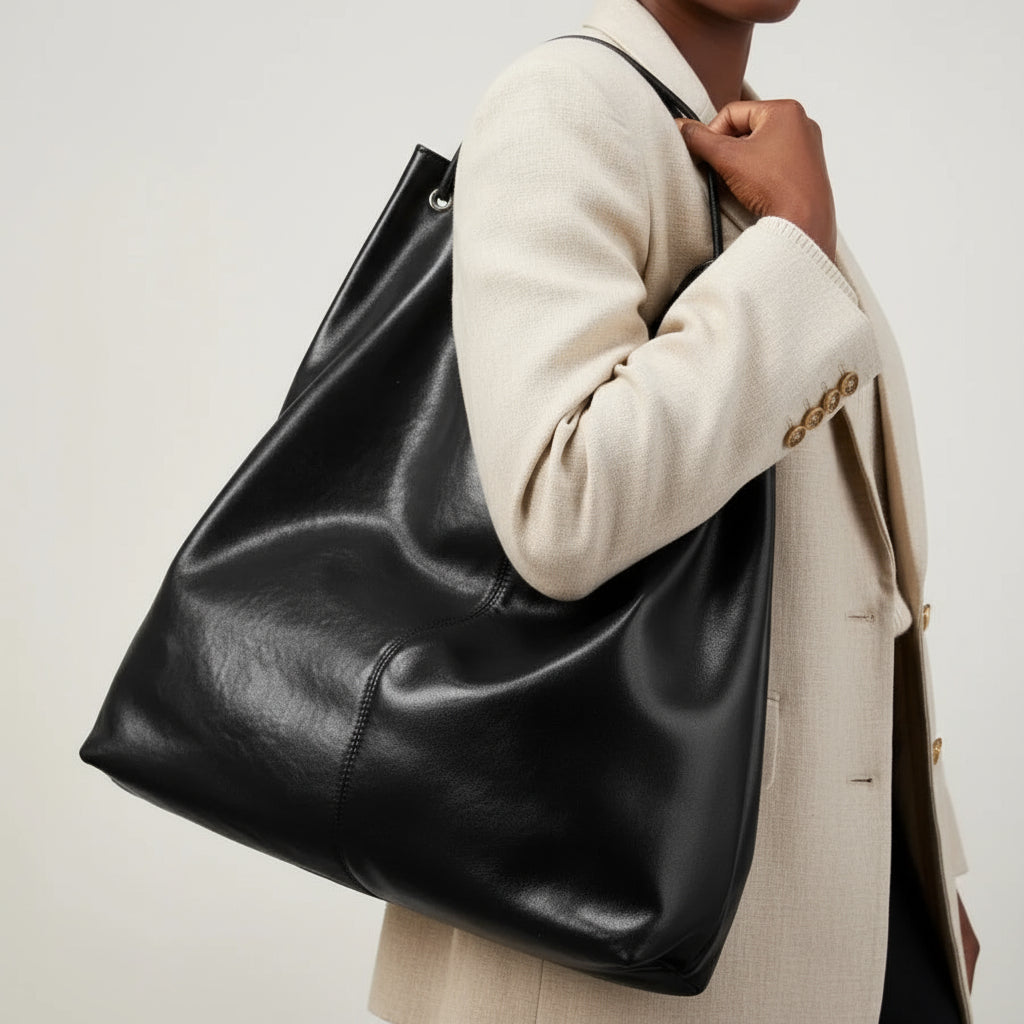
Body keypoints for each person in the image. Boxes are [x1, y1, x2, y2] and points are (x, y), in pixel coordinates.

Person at [366, 0, 980, 1021]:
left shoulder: (742, 139)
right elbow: (561, 502)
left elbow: (854, 573)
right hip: (616, 948)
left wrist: (916, 875)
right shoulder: (568, 107)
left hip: (824, 917)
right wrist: (790, 246)